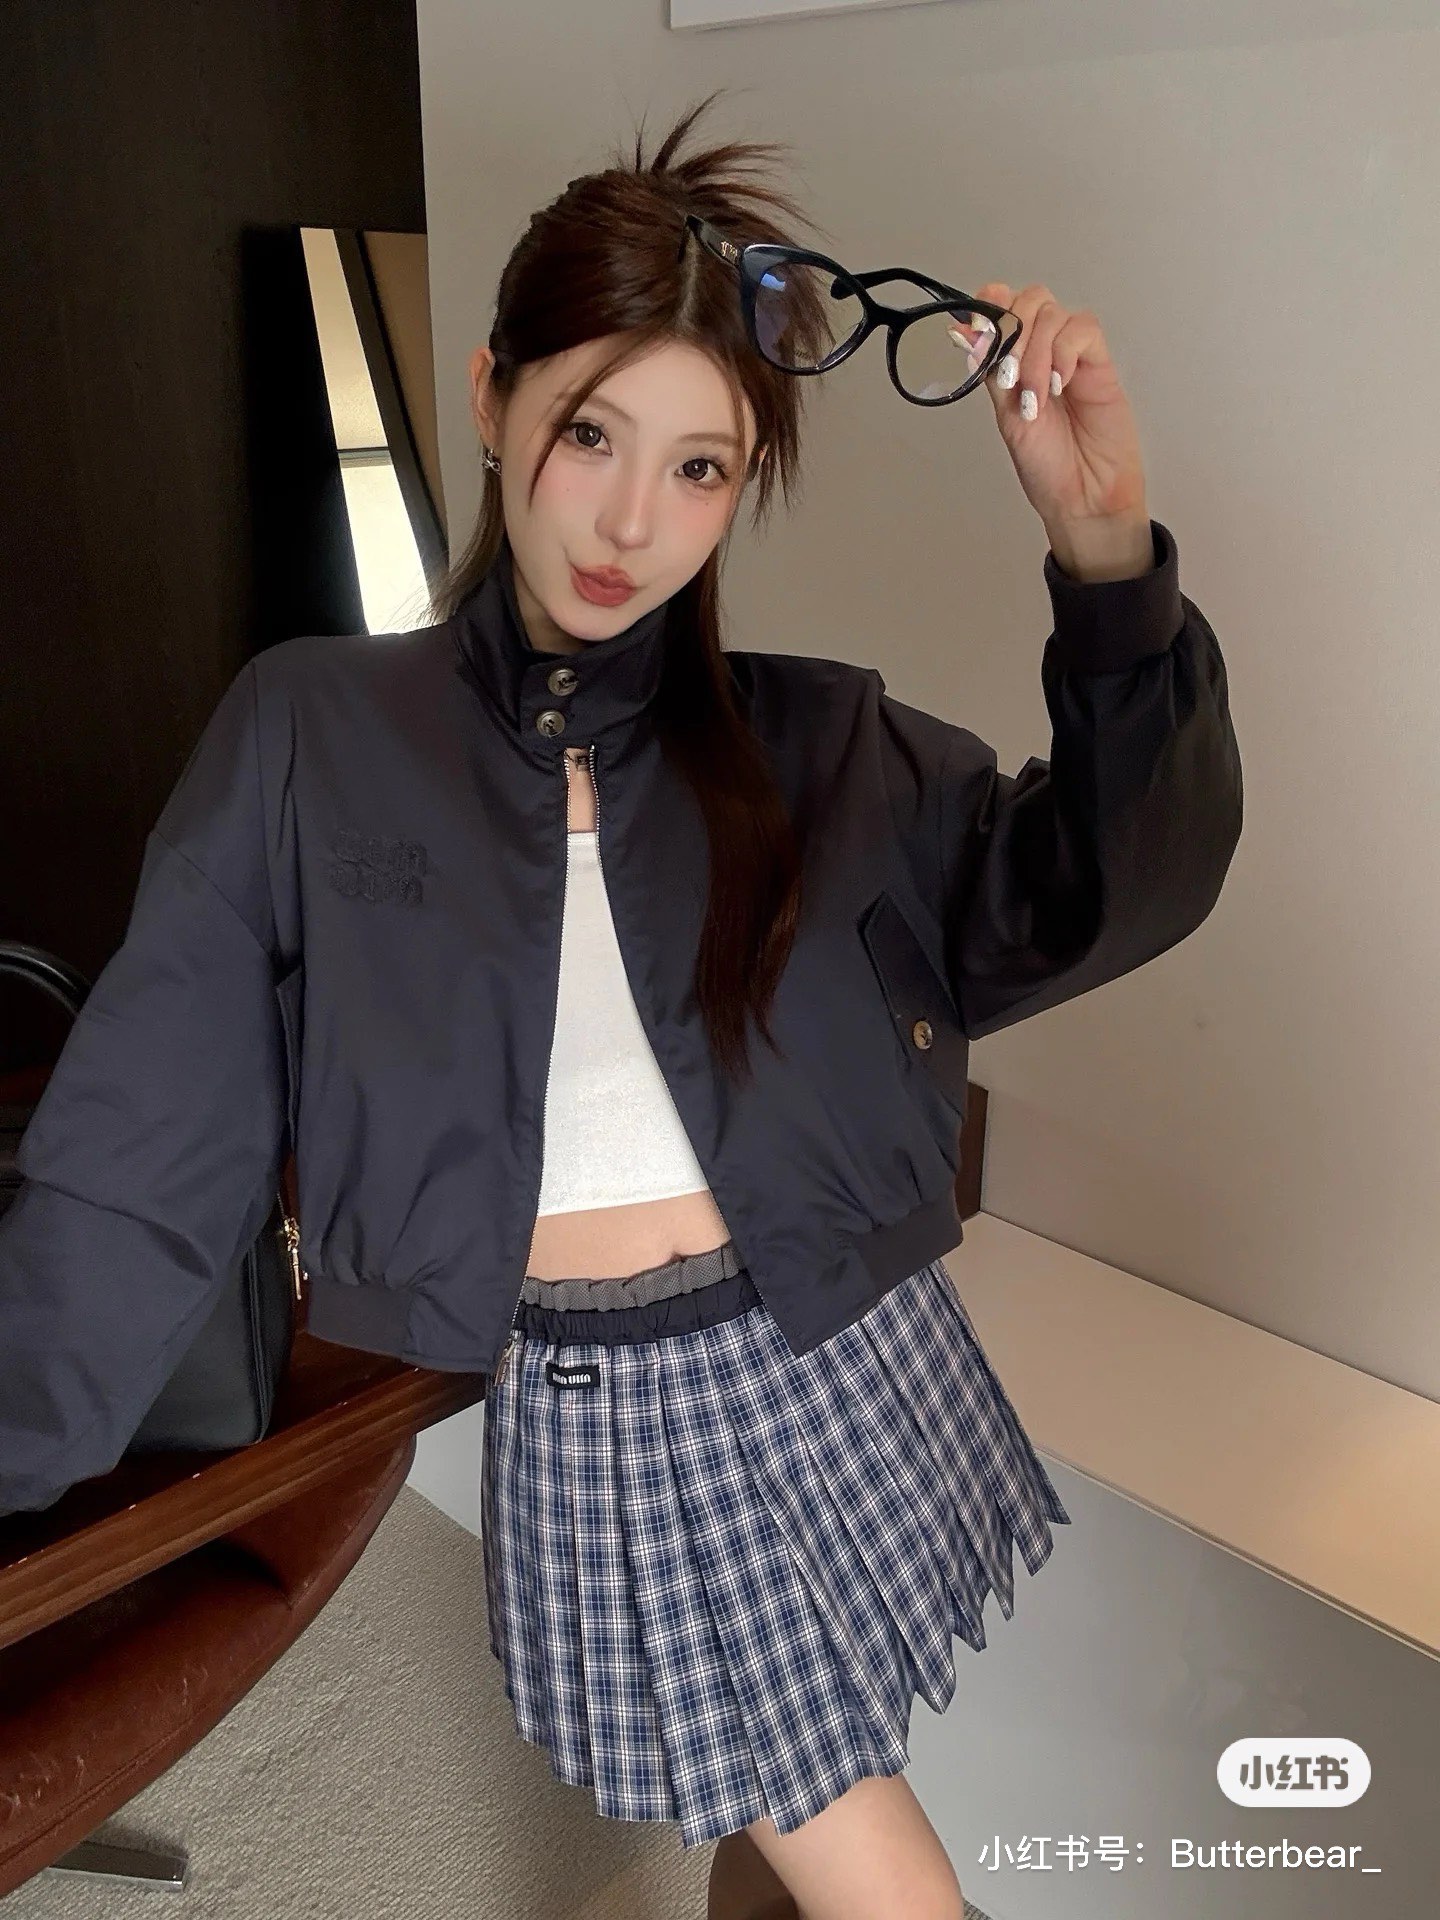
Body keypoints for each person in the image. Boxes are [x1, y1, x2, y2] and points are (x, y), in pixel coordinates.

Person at [0, 88, 1243, 1920]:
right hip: (613, 1421)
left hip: (840, 1352)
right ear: (493, 395)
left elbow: (1116, 883)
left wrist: (1108, 556)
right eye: (591, 431)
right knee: (880, 1872)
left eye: (703, 467)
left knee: (790, 1814)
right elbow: (144, 1143)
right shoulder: (315, 736)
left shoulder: (823, 747)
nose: (632, 521)